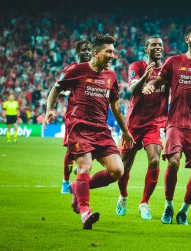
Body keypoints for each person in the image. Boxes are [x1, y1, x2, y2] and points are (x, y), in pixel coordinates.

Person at [43, 35, 134, 230]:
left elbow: (115, 106)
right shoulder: (77, 70)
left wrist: (125, 131)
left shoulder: (111, 76)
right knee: (84, 167)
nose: (112, 55)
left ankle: (77, 187)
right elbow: (56, 88)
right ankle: (85, 212)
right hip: (79, 127)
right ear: (95, 52)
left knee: (117, 170)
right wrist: (50, 109)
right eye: (108, 51)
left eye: (113, 51)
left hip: (101, 129)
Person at [143, 25, 191, 225]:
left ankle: (183, 210)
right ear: (187, 39)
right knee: (173, 162)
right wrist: (149, 86)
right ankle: (168, 206)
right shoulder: (174, 62)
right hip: (176, 123)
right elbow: (160, 81)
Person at [115, 35, 168, 220]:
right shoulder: (136, 66)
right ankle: (123, 196)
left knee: (154, 161)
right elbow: (133, 89)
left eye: (160, 45)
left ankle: (144, 202)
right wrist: (145, 77)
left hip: (156, 122)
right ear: (146, 49)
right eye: (153, 45)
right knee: (123, 167)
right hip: (134, 124)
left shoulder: (167, 70)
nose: (158, 47)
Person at [61, 40, 92, 194]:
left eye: (89, 50)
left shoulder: (96, 68)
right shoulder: (73, 69)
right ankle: (66, 181)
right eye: (84, 50)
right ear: (77, 52)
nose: (87, 52)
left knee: (94, 150)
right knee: (71, 151)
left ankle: (78, 171)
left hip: (93, 118)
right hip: (74, 117)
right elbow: (59, 87)